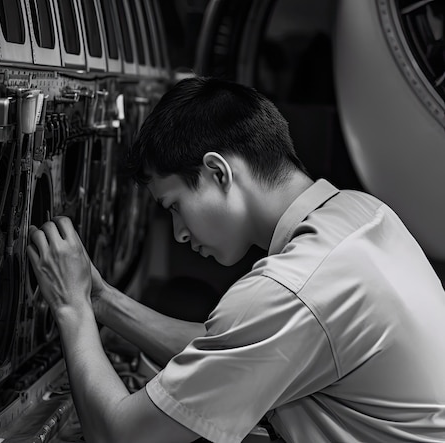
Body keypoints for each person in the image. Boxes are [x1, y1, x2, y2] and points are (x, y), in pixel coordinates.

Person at [27, 76, 445, 443]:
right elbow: (235, 347)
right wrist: (100, 300)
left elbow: (119, 434)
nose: (179, 233)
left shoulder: (294, 289)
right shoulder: (358, 213)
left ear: (219, 172)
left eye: (173, 206)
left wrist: (71, 308)